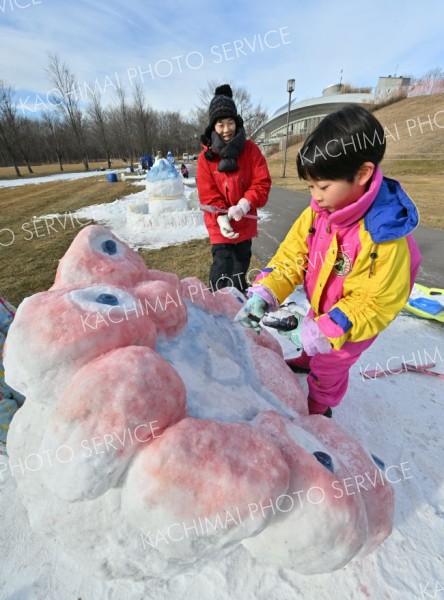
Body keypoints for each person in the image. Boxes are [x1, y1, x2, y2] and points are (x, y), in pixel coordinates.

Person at [236, 105, 422, 417]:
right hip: (325, 302)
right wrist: (266, 291)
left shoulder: (383, 235)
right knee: (314, 338)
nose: (316, 196)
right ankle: (309, 357)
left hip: (354, 321)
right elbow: (293, 255)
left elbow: (374, 299)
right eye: (310, 186)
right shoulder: (319, 212)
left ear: (362, 174)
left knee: (330, 366)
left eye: (323, 186)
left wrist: (330, 328)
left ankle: (319, 406)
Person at [197, 84, 271, 293]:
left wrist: (244, 205)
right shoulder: (205, 159)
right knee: (221, 266)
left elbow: (261, 183)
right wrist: (221, 217)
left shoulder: (251, 150)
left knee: (240, 266)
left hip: (245, 222)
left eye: (230, 122)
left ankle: (239, 304)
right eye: (221, 124)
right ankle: (216, 306)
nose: (227, 129)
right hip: (219, 223)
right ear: (213, 127)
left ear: (236, 123)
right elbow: (207, 193)